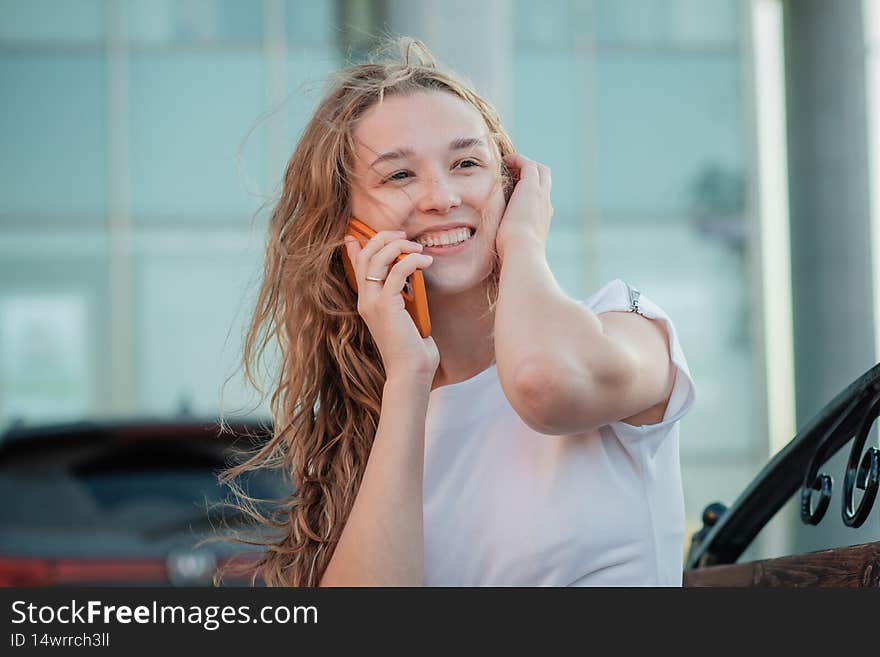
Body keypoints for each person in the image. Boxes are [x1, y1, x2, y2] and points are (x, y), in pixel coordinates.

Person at [217, 37, 696, 587]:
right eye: (399, 175)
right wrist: (408, 376)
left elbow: (543, 381)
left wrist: (522, 247)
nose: (442, 197)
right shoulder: (378, 422)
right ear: (346, 228)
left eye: (467, 163)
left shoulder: (623, 327)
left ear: (512, 186)